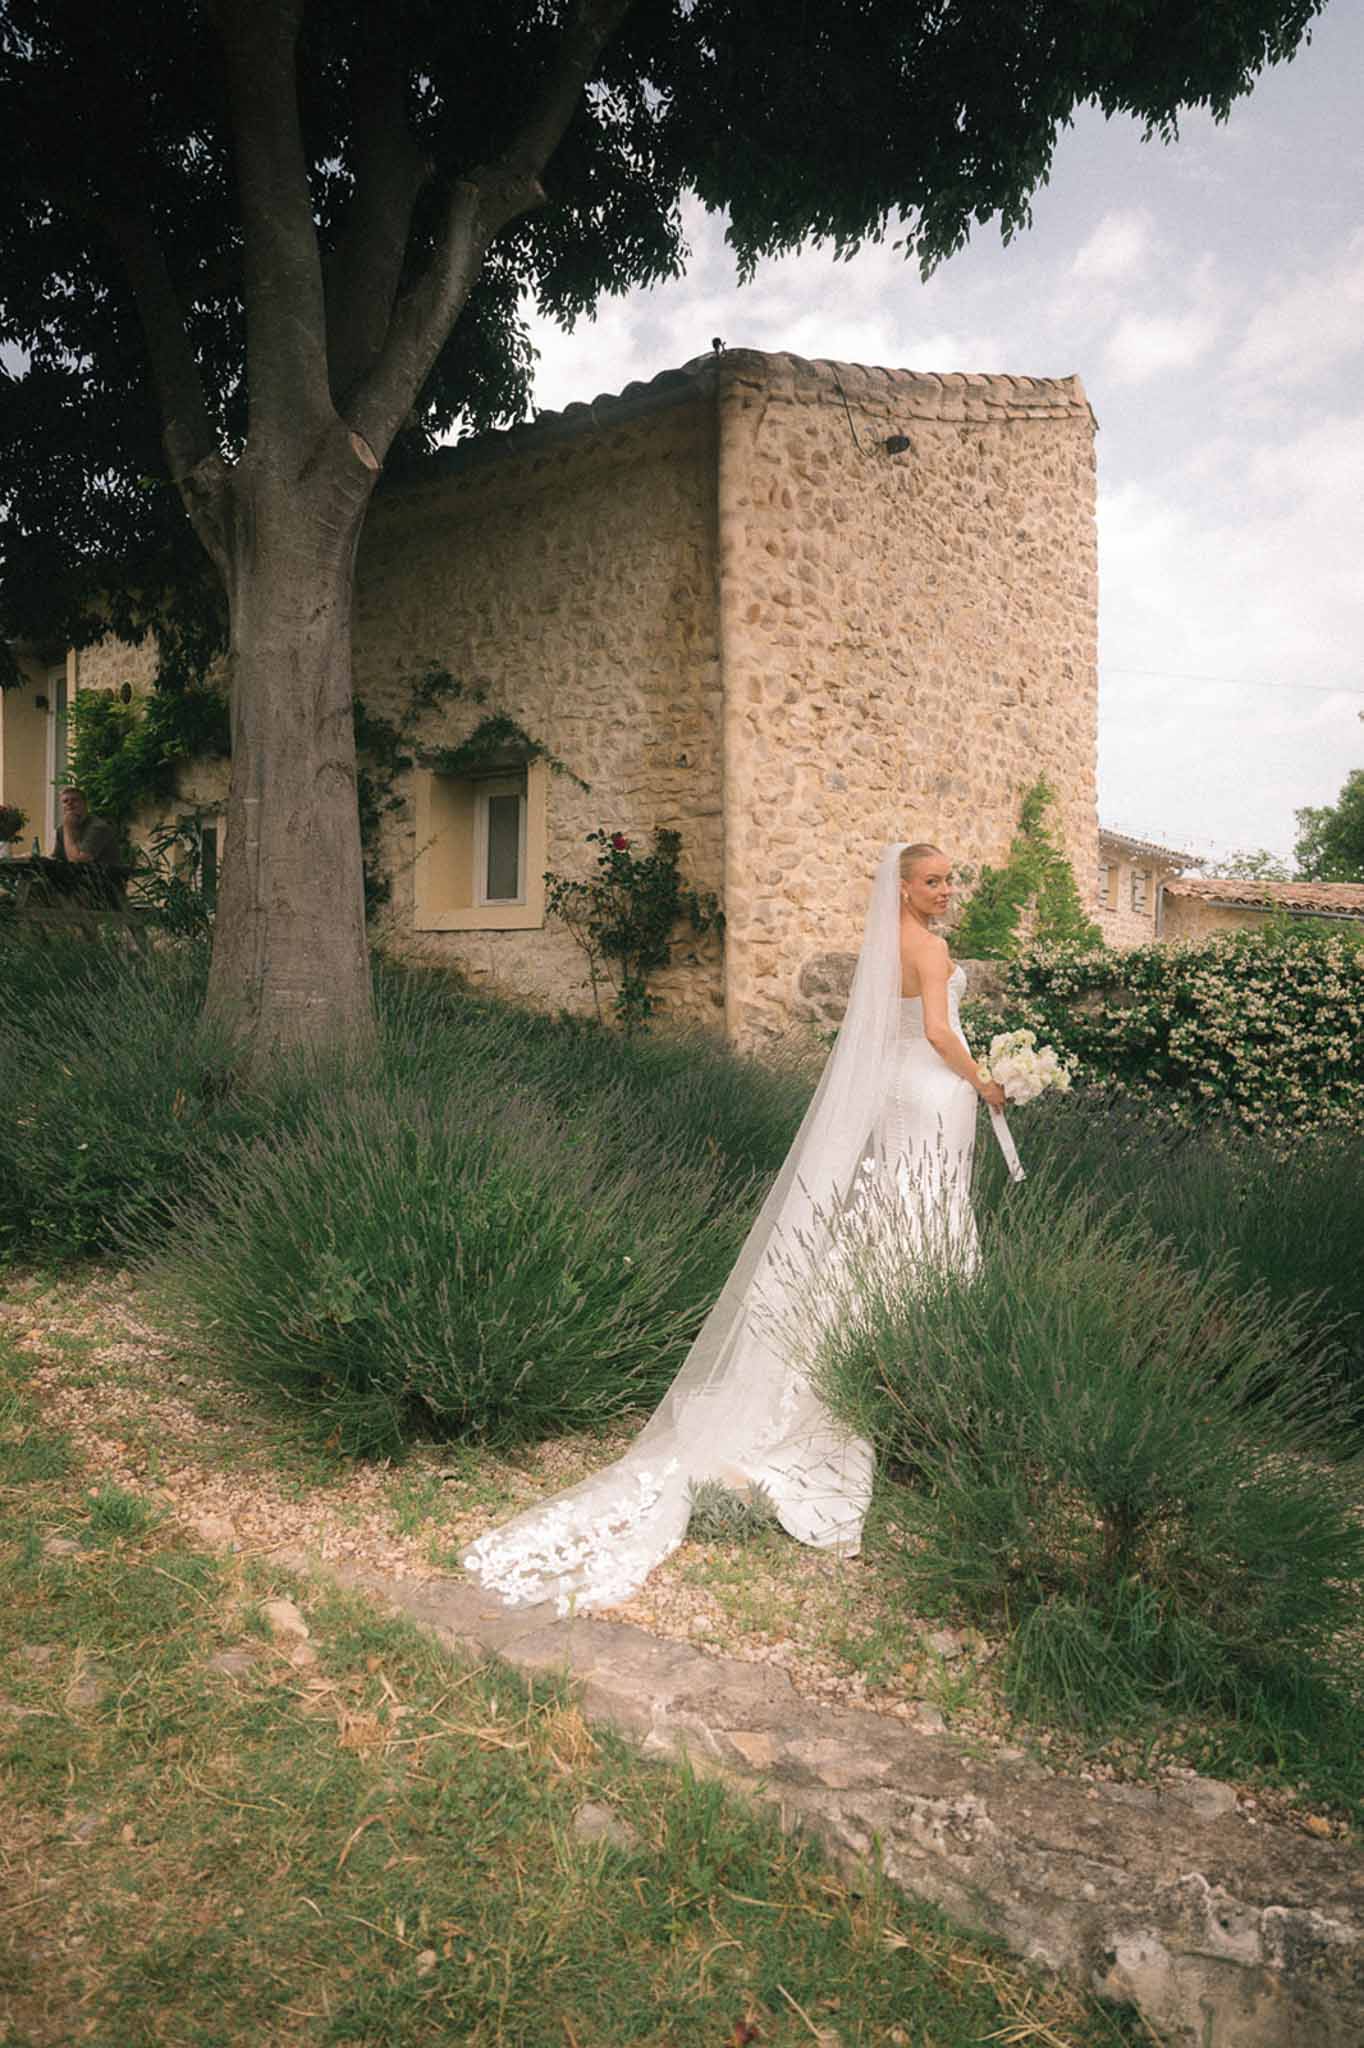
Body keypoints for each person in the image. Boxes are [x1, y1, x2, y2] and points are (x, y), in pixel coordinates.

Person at [463, 841, 1023, 1616]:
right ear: (902, 887)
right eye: (933, 881)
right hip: (933, 1089)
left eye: (948, 880)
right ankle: (896, 1415)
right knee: (923, 1214)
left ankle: (877, 1392)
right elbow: (936, 1030)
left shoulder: (883, 947)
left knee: (893, 1211)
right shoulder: (928, 946)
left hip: (902, 1093)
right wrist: (987, 1081)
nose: (946, 891)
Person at [47, 787, 125, 905]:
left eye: (74, 800)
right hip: (79, 884)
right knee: (37, 886)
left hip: (104, 888)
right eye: (65, 801)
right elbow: (57, 858)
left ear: (85, 805)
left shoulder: (98, 827)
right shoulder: (61, 830)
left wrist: (68, 828)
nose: (69, 804)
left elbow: (78, 861)